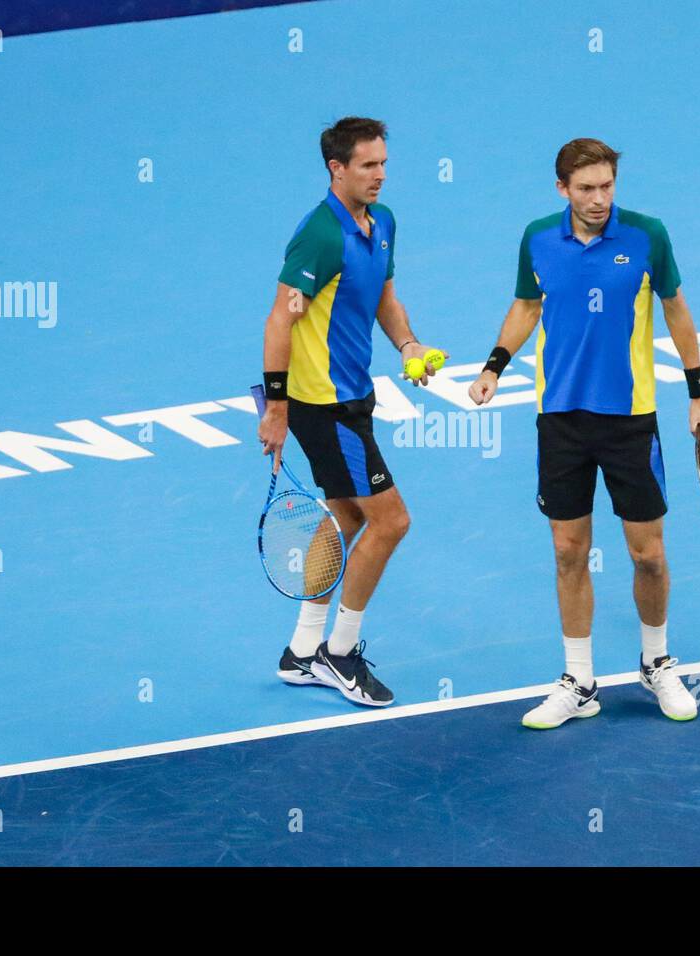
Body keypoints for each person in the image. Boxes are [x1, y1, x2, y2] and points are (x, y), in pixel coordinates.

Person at [469, 138, 700, 728]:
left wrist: (699, 392)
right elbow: (527, 305)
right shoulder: (537, 238)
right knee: (567, 551)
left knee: (647, 554)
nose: (600, 198)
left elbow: (677, 310)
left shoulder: (647, 235)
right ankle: (578, 681)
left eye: (607, 186)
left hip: (631, 419)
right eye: (586, 188)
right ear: (562, 190)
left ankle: (656, 662)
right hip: (561, 418)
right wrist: (494, 365)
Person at [258, 116, 447, 707]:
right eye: (368, 165)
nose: (380, 175)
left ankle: (300, 651)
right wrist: (276, 408)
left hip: (354, 396)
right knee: (391, 521)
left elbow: (385, 298)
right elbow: (279, 320)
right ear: (336, 168)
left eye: (384, 163)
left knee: (346, 520)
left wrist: (409, 345)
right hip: (323, 407)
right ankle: (338, 653)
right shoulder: (319, 235)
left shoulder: (382, 222)